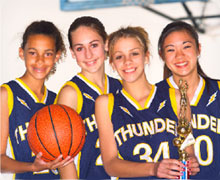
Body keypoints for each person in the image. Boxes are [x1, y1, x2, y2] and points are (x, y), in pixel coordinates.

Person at [95, 26, 200, 179]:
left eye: (134, 54)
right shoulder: (105, 103)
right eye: (119, 56)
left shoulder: (176, 97)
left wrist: (191, 163)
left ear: (146, 57)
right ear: (112, 64)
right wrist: (154, 168)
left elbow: (188, 152)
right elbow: (111, 164)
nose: (127, 61)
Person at [0, 20, 72, 179]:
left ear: (56, 56)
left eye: (47, 53)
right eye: (33, 52)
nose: (40, 60)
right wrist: (32, 167)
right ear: (22, 53)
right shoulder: (7, 94)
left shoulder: (57, 101)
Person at [56, 16, 122, 179]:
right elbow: (64, 157)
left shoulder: (121, 87)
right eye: (80, 48)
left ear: (106, 44)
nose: (88, 54)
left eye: (94, 45)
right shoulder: (70, 93)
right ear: (72, 53)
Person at [156, 21, 220, 179]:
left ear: (198, 49)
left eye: (186, 47)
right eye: (171, 50)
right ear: (161, 55)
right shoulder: (151, 98)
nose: (180, 56)